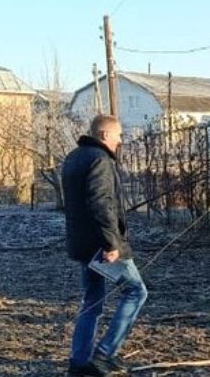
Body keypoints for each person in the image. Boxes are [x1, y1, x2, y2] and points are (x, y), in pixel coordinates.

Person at [62, 115, 148, 376]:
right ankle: (104, 354)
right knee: (136, 291)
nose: (120, 140)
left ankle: (79, 363)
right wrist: (111, 244)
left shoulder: (73, 158)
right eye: (118, 135)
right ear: (105, 135)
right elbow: (100, 204)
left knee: (92, 301)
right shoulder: (99, 159)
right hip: (101, 245)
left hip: (82, 243)